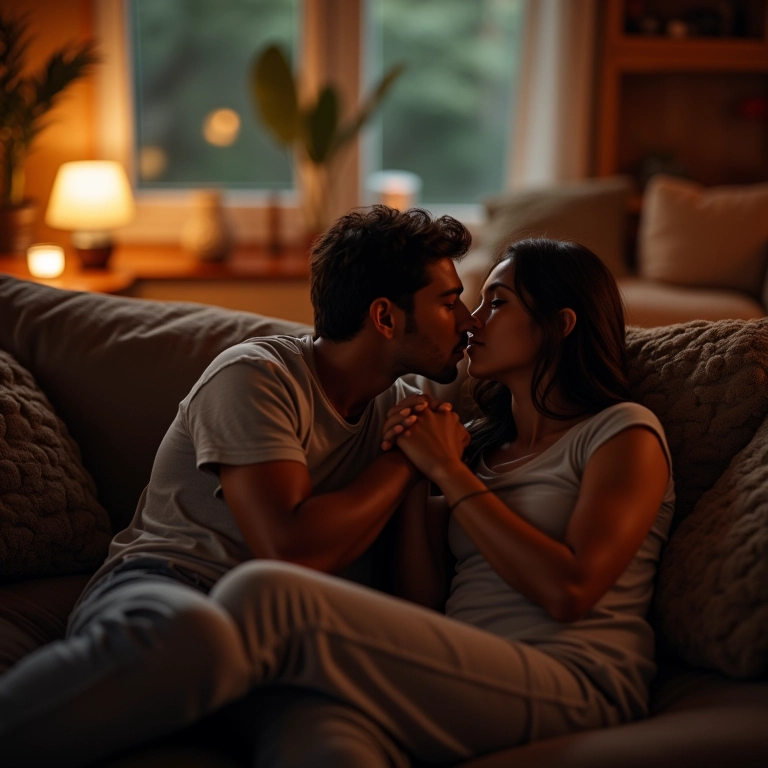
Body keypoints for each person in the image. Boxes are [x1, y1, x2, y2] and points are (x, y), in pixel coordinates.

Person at [0, 205, 476, 767]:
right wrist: (402, 464)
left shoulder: (403, 413)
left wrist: (431, 465)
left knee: (338, 747)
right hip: (174, 587)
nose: (468, 320)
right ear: (384, 317)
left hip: (296, 637)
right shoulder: (256, 375)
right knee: (195, 637)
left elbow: (415, 603)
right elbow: (289, 547)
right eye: (449, 302)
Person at [201, 237, 676, 765]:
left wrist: (446, 472)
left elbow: (570, 589)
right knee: (321, 735)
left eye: (496, 303)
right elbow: (423, 606)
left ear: (560, 325)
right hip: (466, 673)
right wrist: (414, 470)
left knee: (262, 594)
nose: (472, 322)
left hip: (576, 678)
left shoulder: (624, 433)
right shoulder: (471, 446)